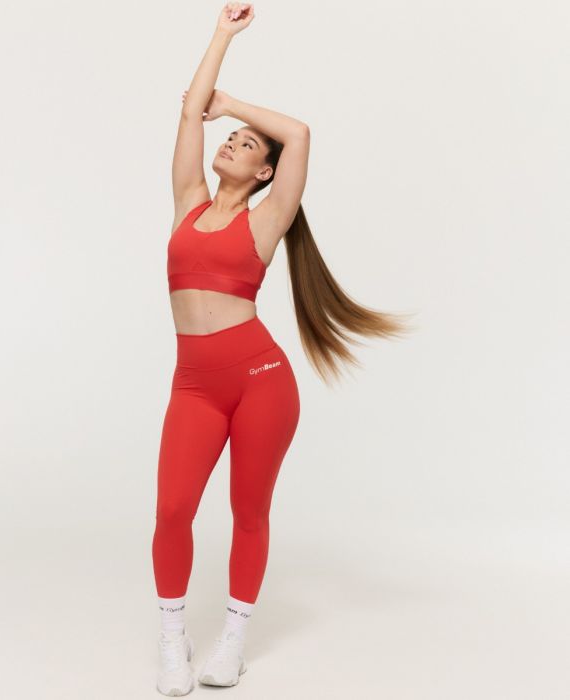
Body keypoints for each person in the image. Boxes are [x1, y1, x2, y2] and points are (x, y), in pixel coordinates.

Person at [152, 3, 414, 695]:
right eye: (230, 137)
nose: (232, 141)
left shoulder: (268, 220)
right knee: (173, 510)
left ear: (267, 173)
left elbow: (297, 133)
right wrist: (223, 35)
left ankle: (233, 642)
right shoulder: (188, 202)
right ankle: (173, 639)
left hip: (260, 380)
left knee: (249, 511)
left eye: (246, 144)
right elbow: (190, 113)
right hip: (194, 384)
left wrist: (233, 103)